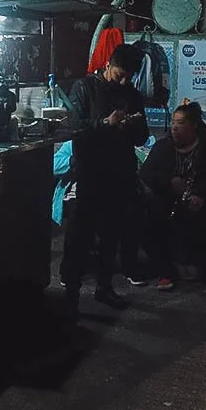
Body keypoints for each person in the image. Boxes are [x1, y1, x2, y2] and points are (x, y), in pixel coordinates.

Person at [60, 43, 149, 317]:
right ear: (109, 64)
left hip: (120, 174)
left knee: (112, 235)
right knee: (80, 235)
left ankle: (105, 287)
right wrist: (105, 124)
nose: (124, 81)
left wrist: (134, 125)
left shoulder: (131, 94)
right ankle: (71, 296)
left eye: (129, 77)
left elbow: (142, 136)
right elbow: (73, 127)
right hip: (90, 174)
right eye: (120, 74)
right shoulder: (84, 88)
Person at [140, 102, 206, 298]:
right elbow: (146, 172)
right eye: (173, 123)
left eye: (181, 123)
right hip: (169, 203)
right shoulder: (163, 147)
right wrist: (168, 182)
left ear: (193, 126)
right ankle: (167, 272)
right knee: (147, 223)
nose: (174, 128)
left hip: (202, 202)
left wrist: (202, 194)